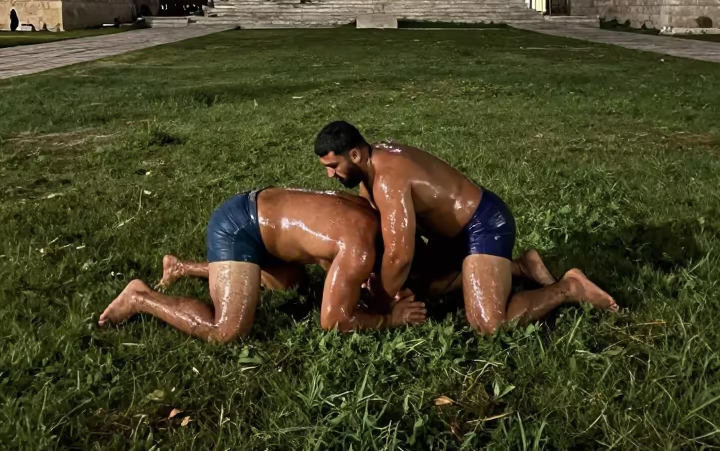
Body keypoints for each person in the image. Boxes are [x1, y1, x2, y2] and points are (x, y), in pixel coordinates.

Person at [314, 121, 618, 335]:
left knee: (489, 324)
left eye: (333, 166)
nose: (330, 175)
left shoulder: (388, 180)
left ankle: (568, 288)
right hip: (450, 238)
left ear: (354, 154)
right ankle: (521, 267)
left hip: (483, 224)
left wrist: (379, 304)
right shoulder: (370, 168)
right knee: (419, 285)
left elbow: (399, 256)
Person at [99, 186, 426, 342]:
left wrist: (375, 290)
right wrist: (389, 318)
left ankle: (182, 268)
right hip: (238, 228)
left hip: (261, 211)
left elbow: (339, 269)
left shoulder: (371, 217)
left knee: (293, 285)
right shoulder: (360, 249)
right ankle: (140, 297)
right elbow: (333, 321)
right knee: (226, 332)